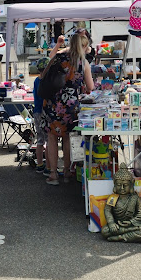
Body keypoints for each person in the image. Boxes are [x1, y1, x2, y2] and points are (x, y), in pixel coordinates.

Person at [41, 30, 95, 186]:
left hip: (52, 102)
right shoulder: (83, 63)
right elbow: (90, 87)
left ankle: (53, 174)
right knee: (67, 138)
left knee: (51, 137)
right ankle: (66, 172)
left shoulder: (59, 58)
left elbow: (44, 72)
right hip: (70, 105)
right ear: (83, 46)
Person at [101, 163, 141, 243]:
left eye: (125, 185)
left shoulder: (135, 198)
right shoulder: (113, 197)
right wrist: (111, 223)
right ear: (115, 185)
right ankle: (126, 234)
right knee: (104, 231)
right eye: (119, 185)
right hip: (117, 225)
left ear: (131, 184)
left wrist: (131, 222)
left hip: (132, 224)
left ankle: (119, 237)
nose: (122, 188)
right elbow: (107, 210)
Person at [32, 57, 50, 173]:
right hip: (46, 112)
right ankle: (49, 166)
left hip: (37, 111)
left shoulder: (36, 80)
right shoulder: (48, 81)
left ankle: (39, 164)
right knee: (49, 140)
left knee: (39, 140)